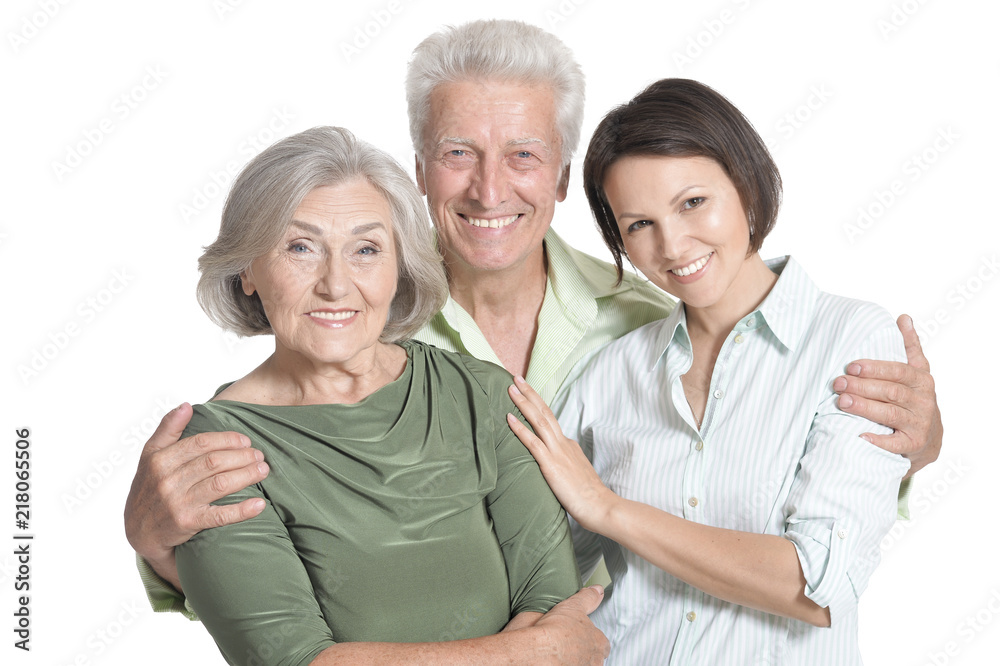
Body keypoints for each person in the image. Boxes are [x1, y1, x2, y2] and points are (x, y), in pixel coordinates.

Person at [124, 18, 942, 633]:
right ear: (416, 171)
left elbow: (811, 525)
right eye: (456, 153)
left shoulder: (656, 320)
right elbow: (289, 584)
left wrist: (912, 455)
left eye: (522, 155)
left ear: (558, 177)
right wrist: (156, 543)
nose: (488, 189)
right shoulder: (349, 335)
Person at [506, 78, 912, 664]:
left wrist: (612, 510)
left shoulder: (851, 340)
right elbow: (532, 569)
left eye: (692, 202)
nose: (672, 245)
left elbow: (820, 583)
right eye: (639, 225)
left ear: (746, 186)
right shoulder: (611, 374)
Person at [170, 125, 608, 665]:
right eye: (300, 247)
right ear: (248, 271)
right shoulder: (216, 446)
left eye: (366, 249)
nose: (336, 284)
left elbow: (553, 603)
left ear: (399, 268)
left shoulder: (484, 395)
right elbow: (292, 661)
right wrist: (529, 653)